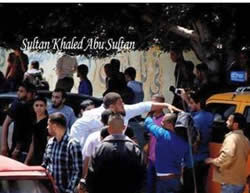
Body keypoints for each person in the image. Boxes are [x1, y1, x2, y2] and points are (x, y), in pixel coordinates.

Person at [70, 92, 181, 149]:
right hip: (98, 158)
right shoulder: (91, 116)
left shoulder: (124, 110)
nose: (123, 105)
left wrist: (166, 105)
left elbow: (144, 106)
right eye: (120, 103)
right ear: (112, 107)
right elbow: (76, 133)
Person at [86, 113, 145, 193]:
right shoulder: (134, 149)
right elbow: (142, 175)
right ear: (124, 127)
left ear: (108, 129)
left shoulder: (100, 148)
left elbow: (91, 176)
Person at [205, 113, 250, 193]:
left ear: (235, 125)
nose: (226, 122)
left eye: (229, 120)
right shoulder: (246, 140)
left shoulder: (231, 138)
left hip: (230, 182)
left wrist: (212, 161)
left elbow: (226, 157)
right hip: (239, 181)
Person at [144, 113, 189, 193]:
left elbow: (148, 124)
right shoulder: (185, 143)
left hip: (163, 183)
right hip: (175, 181)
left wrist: (149, 114)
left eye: (163, 121)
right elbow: (189, 163)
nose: (161, 123)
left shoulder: (162, 134)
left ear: (170, 124)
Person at [180, 91, 214, 193]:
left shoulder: (194, 119)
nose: (189, 105)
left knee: (189, 188)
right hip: (204, 158)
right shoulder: (210, 116)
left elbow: (192, 140)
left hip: (192, 160)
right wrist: (186, 99)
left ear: (198, 103)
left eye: (191, 103)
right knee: (200, 186)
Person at [42, 112, 82, 193]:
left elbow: (77, 171)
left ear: (54, 126)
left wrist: (69, 190)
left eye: (48, 125)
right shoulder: (50, 142)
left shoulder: (72, 144)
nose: (47, 127)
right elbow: (45, 165)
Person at [1, 82, 36, 162]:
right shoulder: (17, 105)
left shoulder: (35, 106)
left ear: (30, 94)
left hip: (30, 149)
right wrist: (4, 146)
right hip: (19, 150)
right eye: (18, 91)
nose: (18, 93)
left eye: (21, 91)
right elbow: (6, 124)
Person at [146, 94, 165, 193]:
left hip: (162, 160)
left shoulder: (166, 120)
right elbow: (150, 139)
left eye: (154, 102)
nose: (152, 105)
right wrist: (147, 156)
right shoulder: (151, 119)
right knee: (149, 186)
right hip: (151, 159)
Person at [24, 96, 49, 165]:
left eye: (41, 105)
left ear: (46, 107)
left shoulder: (49, 122)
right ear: (33, 107)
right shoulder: (33, 121)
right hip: (35, 156)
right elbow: (33, 143)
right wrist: (26, 161)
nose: (39, 108)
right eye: (36, 105)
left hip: (45, 157)